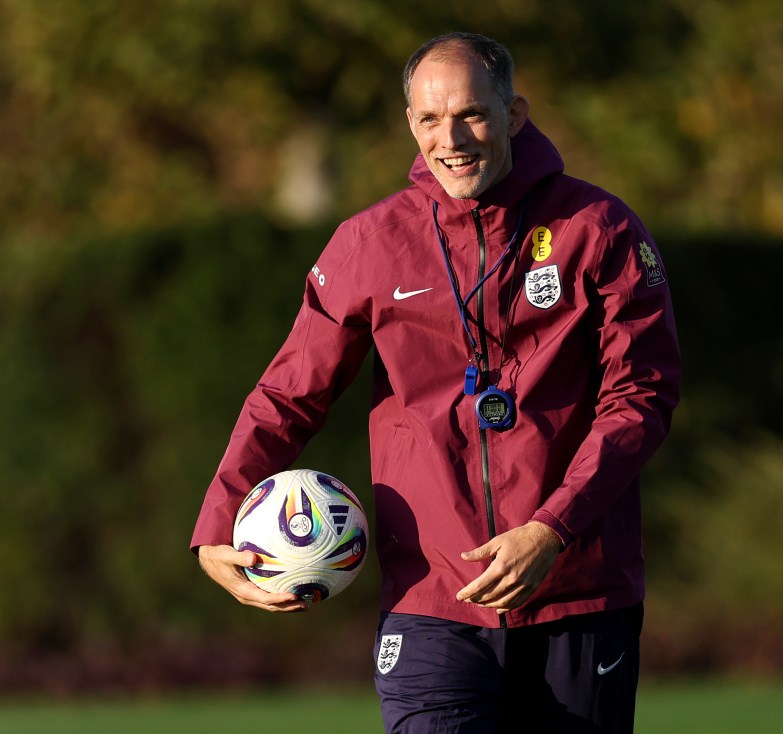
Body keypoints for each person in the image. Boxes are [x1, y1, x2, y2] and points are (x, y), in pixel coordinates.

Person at [192, 31, 681, 733]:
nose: (449, 138)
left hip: (579, 594)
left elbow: (642, 396)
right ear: (410, 124)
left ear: (515, 114)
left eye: (472, 115)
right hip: (430, 603)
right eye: (428, 119)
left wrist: (552, 528)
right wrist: (220, 517)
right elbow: (289, 392)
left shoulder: (598, 229)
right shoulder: (370, 241)